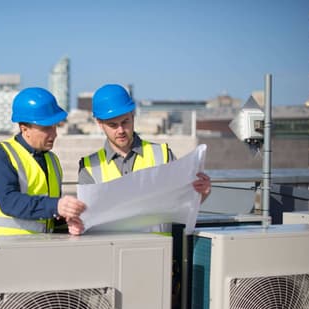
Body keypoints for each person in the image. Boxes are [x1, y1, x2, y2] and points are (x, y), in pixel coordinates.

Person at [78, 84, 211, 232]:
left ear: (133, 115)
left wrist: (201, 194)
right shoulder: (89, 168)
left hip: (159, 249)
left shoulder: (163, 155)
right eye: (113, 125)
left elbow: (181, 204)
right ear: (99, 123)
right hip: (113, 250)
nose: (121, 130)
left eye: (125, 122)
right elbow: (86, 221)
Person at [0, 87, 87, 236]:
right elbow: (10, 202)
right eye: (46, 128)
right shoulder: (3, 156)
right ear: (24, 129)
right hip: (0, 247)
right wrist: (56, 206)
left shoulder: (52, 160)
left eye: (55, 126)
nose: (54, 134)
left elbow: (46, 215)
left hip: (36, 248)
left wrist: (66, 221)